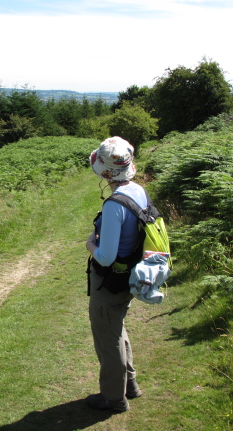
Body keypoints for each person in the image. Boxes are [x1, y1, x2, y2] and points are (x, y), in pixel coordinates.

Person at [84, 136, 145, 413]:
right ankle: (129, 385)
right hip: (129, 275)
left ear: (104, 172)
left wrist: (90, 245)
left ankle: (113, 398)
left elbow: (106, 256)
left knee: (108, 339)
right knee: (116, 329)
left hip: (109, 281)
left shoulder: (114, 205)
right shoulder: (138, 191)